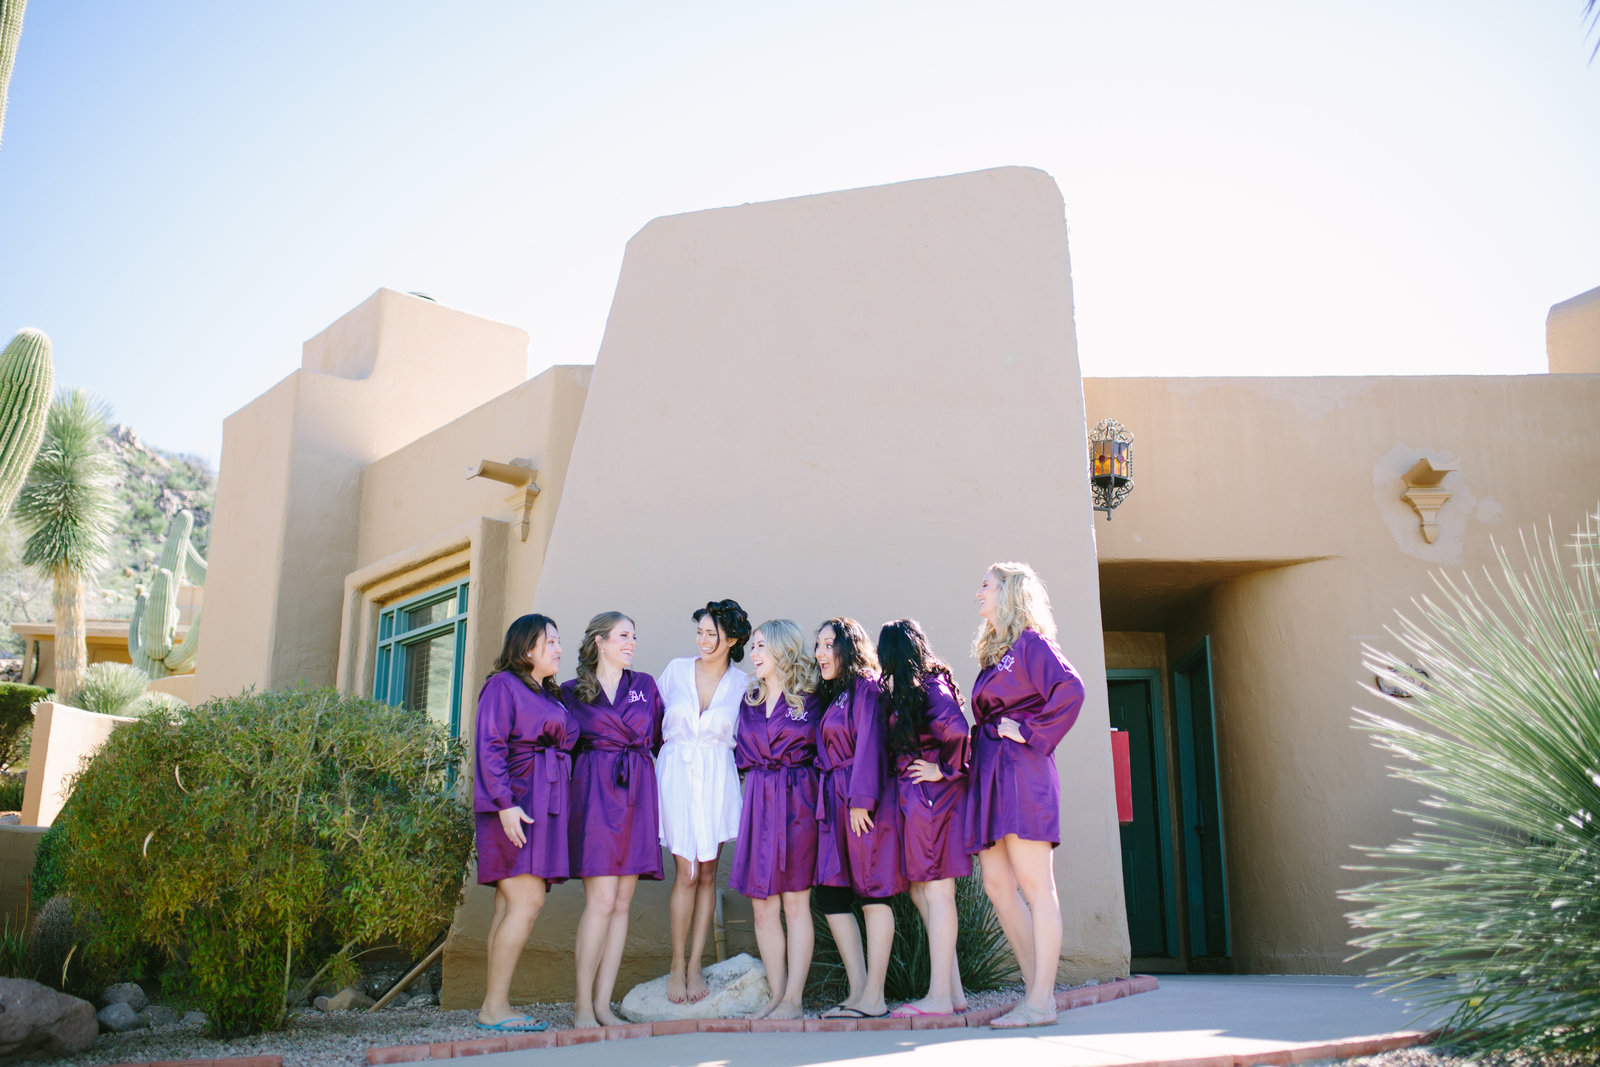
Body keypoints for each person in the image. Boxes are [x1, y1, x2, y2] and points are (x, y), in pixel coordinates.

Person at [964, 562, 1086, 1029]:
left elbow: (1071, 689)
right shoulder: (997, 651)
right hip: (991, 772)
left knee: (1037, 887)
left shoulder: (1032, 644)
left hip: (1023, 771)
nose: (979, 593)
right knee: (997, 886)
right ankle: (1040, 993)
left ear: (1009, 593)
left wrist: (1030, 731)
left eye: (986, 586)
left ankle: (1038, 1001)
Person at [472, 614, 578, 1033]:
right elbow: (490, 745)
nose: (558, 648)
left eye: (558, 640)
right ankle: (495, 1007)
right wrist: (504, 804)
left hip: (544, 804)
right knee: (526, 901)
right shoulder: (503, 686)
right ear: (526, 648)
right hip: (515, 805)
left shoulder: (549, 695)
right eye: (550, 641)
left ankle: (494, 1004)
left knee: (509, 903)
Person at [563, 611, 665, 1028]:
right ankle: (582, 1006)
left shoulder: (645, 686)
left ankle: (604, 1005)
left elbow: (661, 740)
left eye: (634, 637)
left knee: (622, 904)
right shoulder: (571, 692)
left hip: (638, 792)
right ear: (600, 641)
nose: (632, 644)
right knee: (601, 901)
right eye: (624, 636)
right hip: (595, 795)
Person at [656, 598, 752, 1004]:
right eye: (700, 631)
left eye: (712, 634)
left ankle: (696, 966)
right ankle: (676, 965)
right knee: (686, 873)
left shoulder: (744, 683)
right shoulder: (676, 671)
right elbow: (648, 725)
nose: (703, 640)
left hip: (716, 776)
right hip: (677, 772)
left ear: (731, 639)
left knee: (708, 875)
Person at [878, 618, 972, 1019]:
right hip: (917, 800)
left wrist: (944, 770)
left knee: (937, 893)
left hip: (933, 800)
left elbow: (958, 731)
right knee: (922, 892)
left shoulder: (932, 688)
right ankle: (953, 991)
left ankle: (938, 998)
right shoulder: (915, 689)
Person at [728, 619, 820, 1021]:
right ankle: (777, 995)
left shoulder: (811, 698)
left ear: (783, 649)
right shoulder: (748, 700)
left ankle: (794, 999)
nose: (754, 653)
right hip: (759, 803)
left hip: (798, 801)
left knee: (796, 904)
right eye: (753, 646)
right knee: (762, 906)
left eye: (761, 646)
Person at [812, 617, 904, 1020]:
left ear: (849, 648)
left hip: (861, 801)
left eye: (828, 644)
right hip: (834, 799)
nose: (819, 653)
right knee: (831, 894)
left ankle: (876, 998)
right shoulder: (835, 695)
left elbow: (870, 743)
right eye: (817, 645)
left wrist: (861, 799)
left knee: (872, 892)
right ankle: (857, 991)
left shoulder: (866, 687)